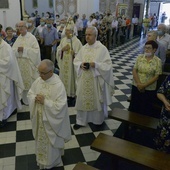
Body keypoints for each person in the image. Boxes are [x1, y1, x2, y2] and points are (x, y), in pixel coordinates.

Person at [27, 59, 71, 169]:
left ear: (51, 72)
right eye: (39, 72)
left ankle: (52, 162)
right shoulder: (38, 81)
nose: (40, 75)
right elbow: (30, 93)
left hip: (51, 121)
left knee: (51, 144)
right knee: (41, 141)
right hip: (39, 119)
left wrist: (45, 102)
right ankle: (41, 160)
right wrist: (34, 98)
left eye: (43, 73)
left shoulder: (58, 85)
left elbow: (60, 106)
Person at [73, 26, 114, 130]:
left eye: (89, 34)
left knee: (96, 100)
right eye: (86, 34)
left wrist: (95, 65)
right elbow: (76, 61)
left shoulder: (102, 49)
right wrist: (80, 65)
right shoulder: (84, 48)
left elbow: (108, 65)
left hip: (96, 81)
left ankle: (97, 121)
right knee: (82, 99)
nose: (87, 37)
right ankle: (81, 121)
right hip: (84, 79)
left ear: (95, 36)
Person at [129, 40, 162, 117]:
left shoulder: (158, 61)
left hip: (149, 88)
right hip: (136, 86)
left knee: (145, 108)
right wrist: (139, 84)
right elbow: (134, 70)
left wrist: (144, 85)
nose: (146, 50)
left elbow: (156, 76)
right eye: (145, 48)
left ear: (154, 50)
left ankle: (142, 127)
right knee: (135, 106)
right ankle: (132, 124)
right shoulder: (140, 57)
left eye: (149, 48)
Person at [12, 21, 41, 105]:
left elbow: (36, 51)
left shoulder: (32, 38)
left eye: (22, 26)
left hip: (29, 65)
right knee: (22, 82)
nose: (20, 28)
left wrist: (24, 50)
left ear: (26, 27)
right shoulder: (19, 38)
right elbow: (13, 50)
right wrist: (17, 50)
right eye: (19, 26)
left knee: (30, 82)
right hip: (20, 65)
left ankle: (31, 99)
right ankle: (24, 99)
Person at [0, 28, 24, 127]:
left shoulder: (5, 47)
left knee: (4, 96)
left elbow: (8, 62)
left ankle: (4, 116)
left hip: (5, 75)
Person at [56, 23, 82, 106]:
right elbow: (58, 50)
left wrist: (74, 53)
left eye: (69, 31)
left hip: (72, 66)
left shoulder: (76, 41)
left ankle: (72, 95)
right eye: (66, 30)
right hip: (64, 65)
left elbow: (81, 55)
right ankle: (64, 93)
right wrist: (62, 50)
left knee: (72, 79)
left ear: (72, 31)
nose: (67, 32)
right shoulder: (63, 40)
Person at [154, 75, 170, 153]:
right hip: (165, 117)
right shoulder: (169, 77)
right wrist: (165, 101)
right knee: (160, 145)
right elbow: (160, 92)